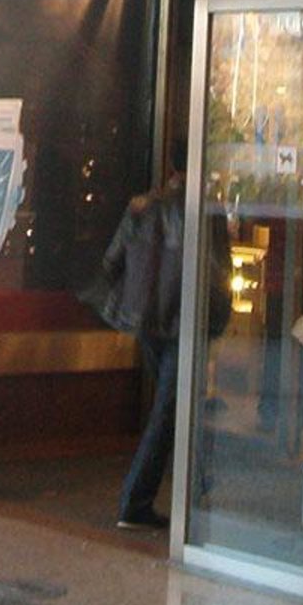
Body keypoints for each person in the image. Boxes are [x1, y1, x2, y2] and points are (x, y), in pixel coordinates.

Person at [102, 142, 188, 531]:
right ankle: (135, 502)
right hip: (180, 322)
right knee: (169, 410)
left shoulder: (142, 206)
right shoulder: (203, 211)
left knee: (174, 406)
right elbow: (215, 272)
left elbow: (111, 260)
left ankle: (198, 487)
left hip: (145, 321)